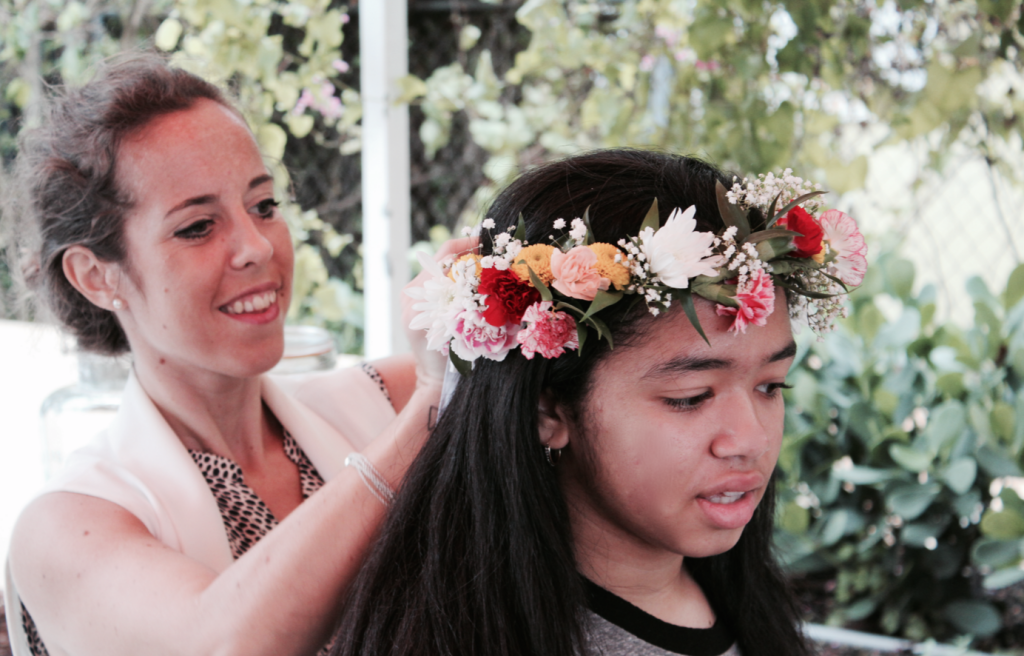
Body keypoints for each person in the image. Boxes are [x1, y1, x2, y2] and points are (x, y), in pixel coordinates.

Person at [5, 54, 463, 656]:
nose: (255, 247)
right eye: (197, 227)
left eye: (264, 206)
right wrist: (428, 410)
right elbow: (223, 644)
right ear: (95, 275)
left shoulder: (381, 399)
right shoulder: (64, 529)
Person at [331, 150, 868, 656]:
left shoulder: (740, 601)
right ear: (548, 410)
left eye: (771, 386)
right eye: (691, 397)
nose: (749, 441)